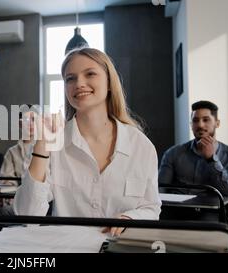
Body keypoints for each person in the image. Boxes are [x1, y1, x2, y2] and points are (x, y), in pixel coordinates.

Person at [13, 47, 161, 236]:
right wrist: (41, 146)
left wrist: (129, 218)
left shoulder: (141, 145)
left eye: (90, 74)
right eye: (70, 78)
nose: (79, 83)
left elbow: (151, 208)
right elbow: (27, 216)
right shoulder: (52, 143)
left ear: (109, 82)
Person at [158, 101, 228, 199]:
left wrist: (212, 159)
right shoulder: (173, 153)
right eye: (195, 120)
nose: (200, 125)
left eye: (206, 120)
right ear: (191, 124)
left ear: (217, 123)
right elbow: (160, 189)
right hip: (177, 210)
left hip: (211, 211)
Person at [0, 105, 37, 216]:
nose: (31, 124)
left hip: (42, 199)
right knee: (0, 212)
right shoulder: (12, 152)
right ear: (19, 123)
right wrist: (13, 193)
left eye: (34, 119)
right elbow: (6, 179)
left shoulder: (46, 149)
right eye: (27, 120)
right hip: (19, 200)